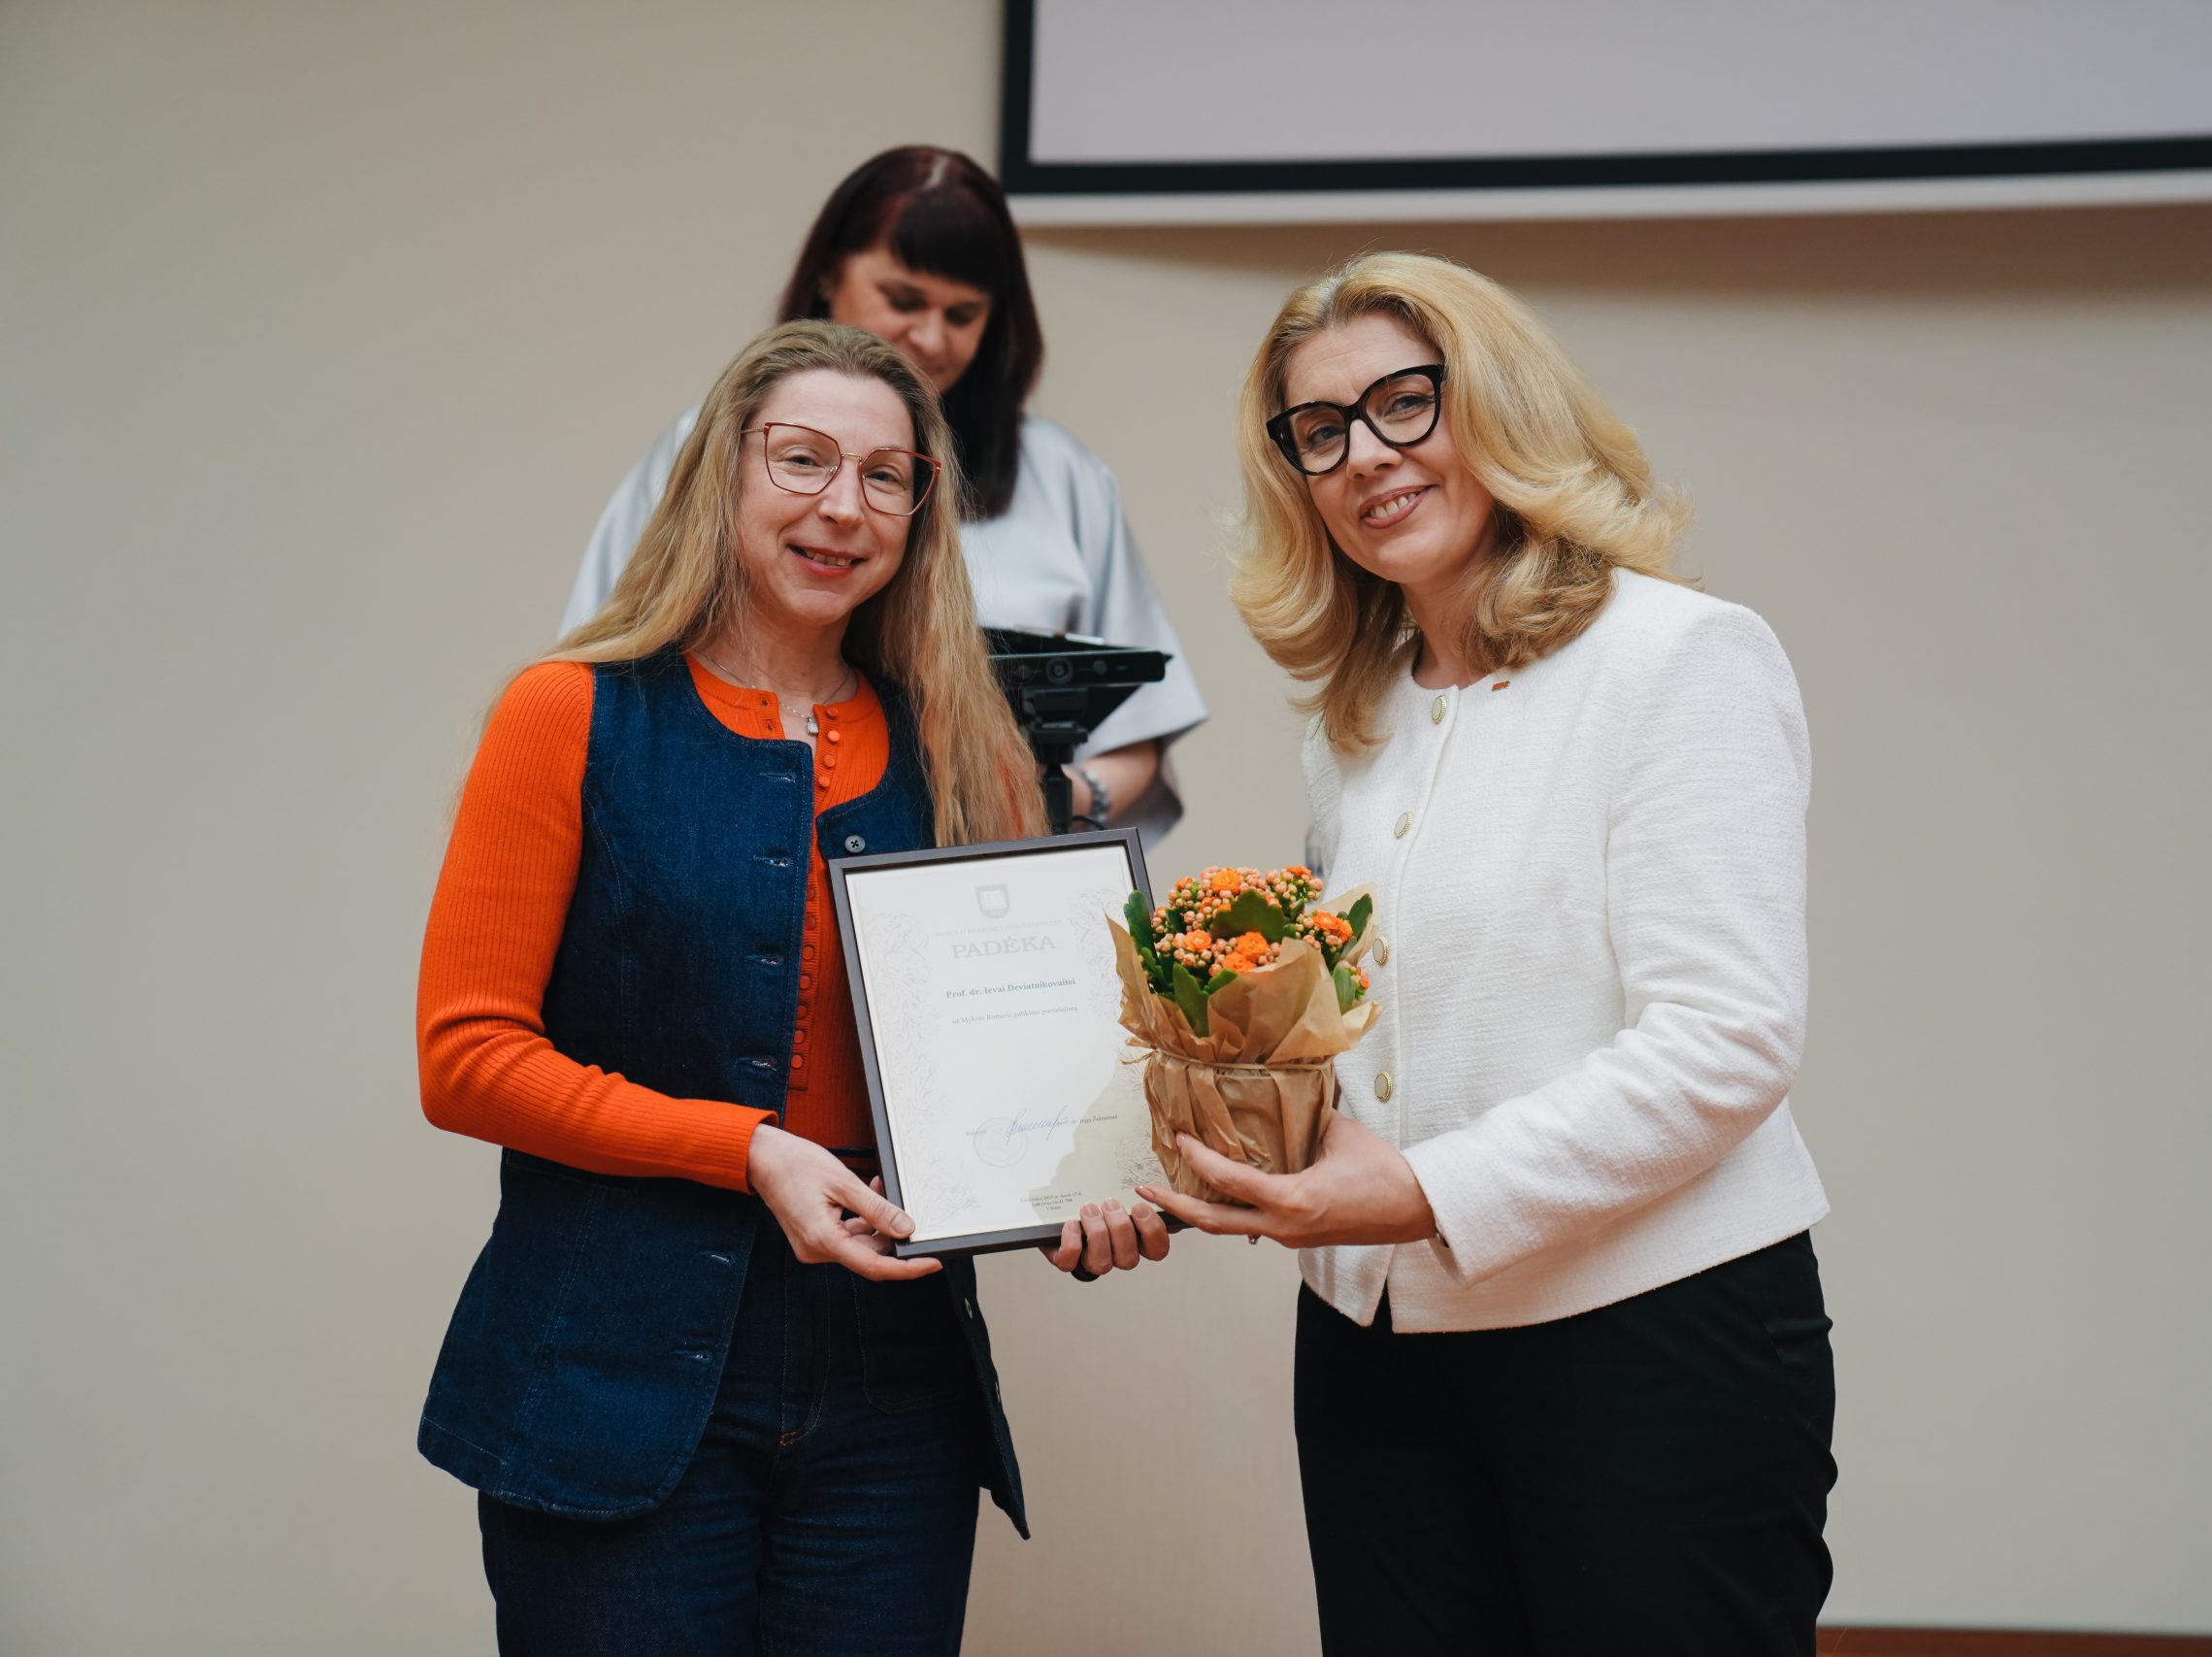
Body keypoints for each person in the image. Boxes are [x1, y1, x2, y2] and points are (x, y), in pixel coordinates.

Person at [418, 319, 1172, 1657]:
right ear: (724, 469)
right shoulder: (569, 713)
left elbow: (1033, 1064)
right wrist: (749, 1149)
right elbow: (467, 1056)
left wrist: (1081, 1184)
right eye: (804, 458)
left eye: (887, 476)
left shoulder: (967, 751)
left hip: (896, 1386)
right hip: (610, 1374)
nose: (844, 505)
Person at [1139, 252, 1835, 1654]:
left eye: (1405, 402)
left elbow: (1728, 1039)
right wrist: (1199, 1131)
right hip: (1377, 1353)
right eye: (1320, 430)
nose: (1364, 456)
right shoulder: (1361, 714)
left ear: (1504, 403)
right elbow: (1367, 1034)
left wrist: (1420, 1189)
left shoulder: (1679, 656)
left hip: (1650, 1346)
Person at [564, 146, 1205, 843]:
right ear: (830, 275)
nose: (929, 337)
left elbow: (1138, 727)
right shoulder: (712, 442)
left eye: (963, 314)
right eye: (802, 462)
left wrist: (1033, 801)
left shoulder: (1063, 475)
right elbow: (610, 673)